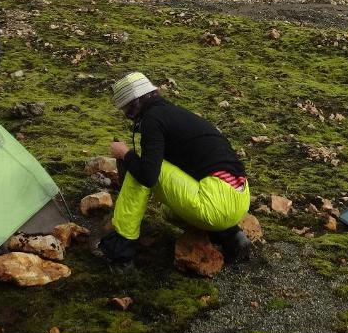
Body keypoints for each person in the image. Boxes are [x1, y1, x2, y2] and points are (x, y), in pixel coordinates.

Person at [96, 71, 251, 268]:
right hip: (238, 198)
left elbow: (147, 176)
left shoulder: (152, 120)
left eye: (126, 110)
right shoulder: (174, 114)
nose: (127, 116)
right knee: (169, 212)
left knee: (142, 167)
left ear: (134, 104)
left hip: (215, 204)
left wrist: (125, 154)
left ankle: (120, 249)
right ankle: (232, 236)